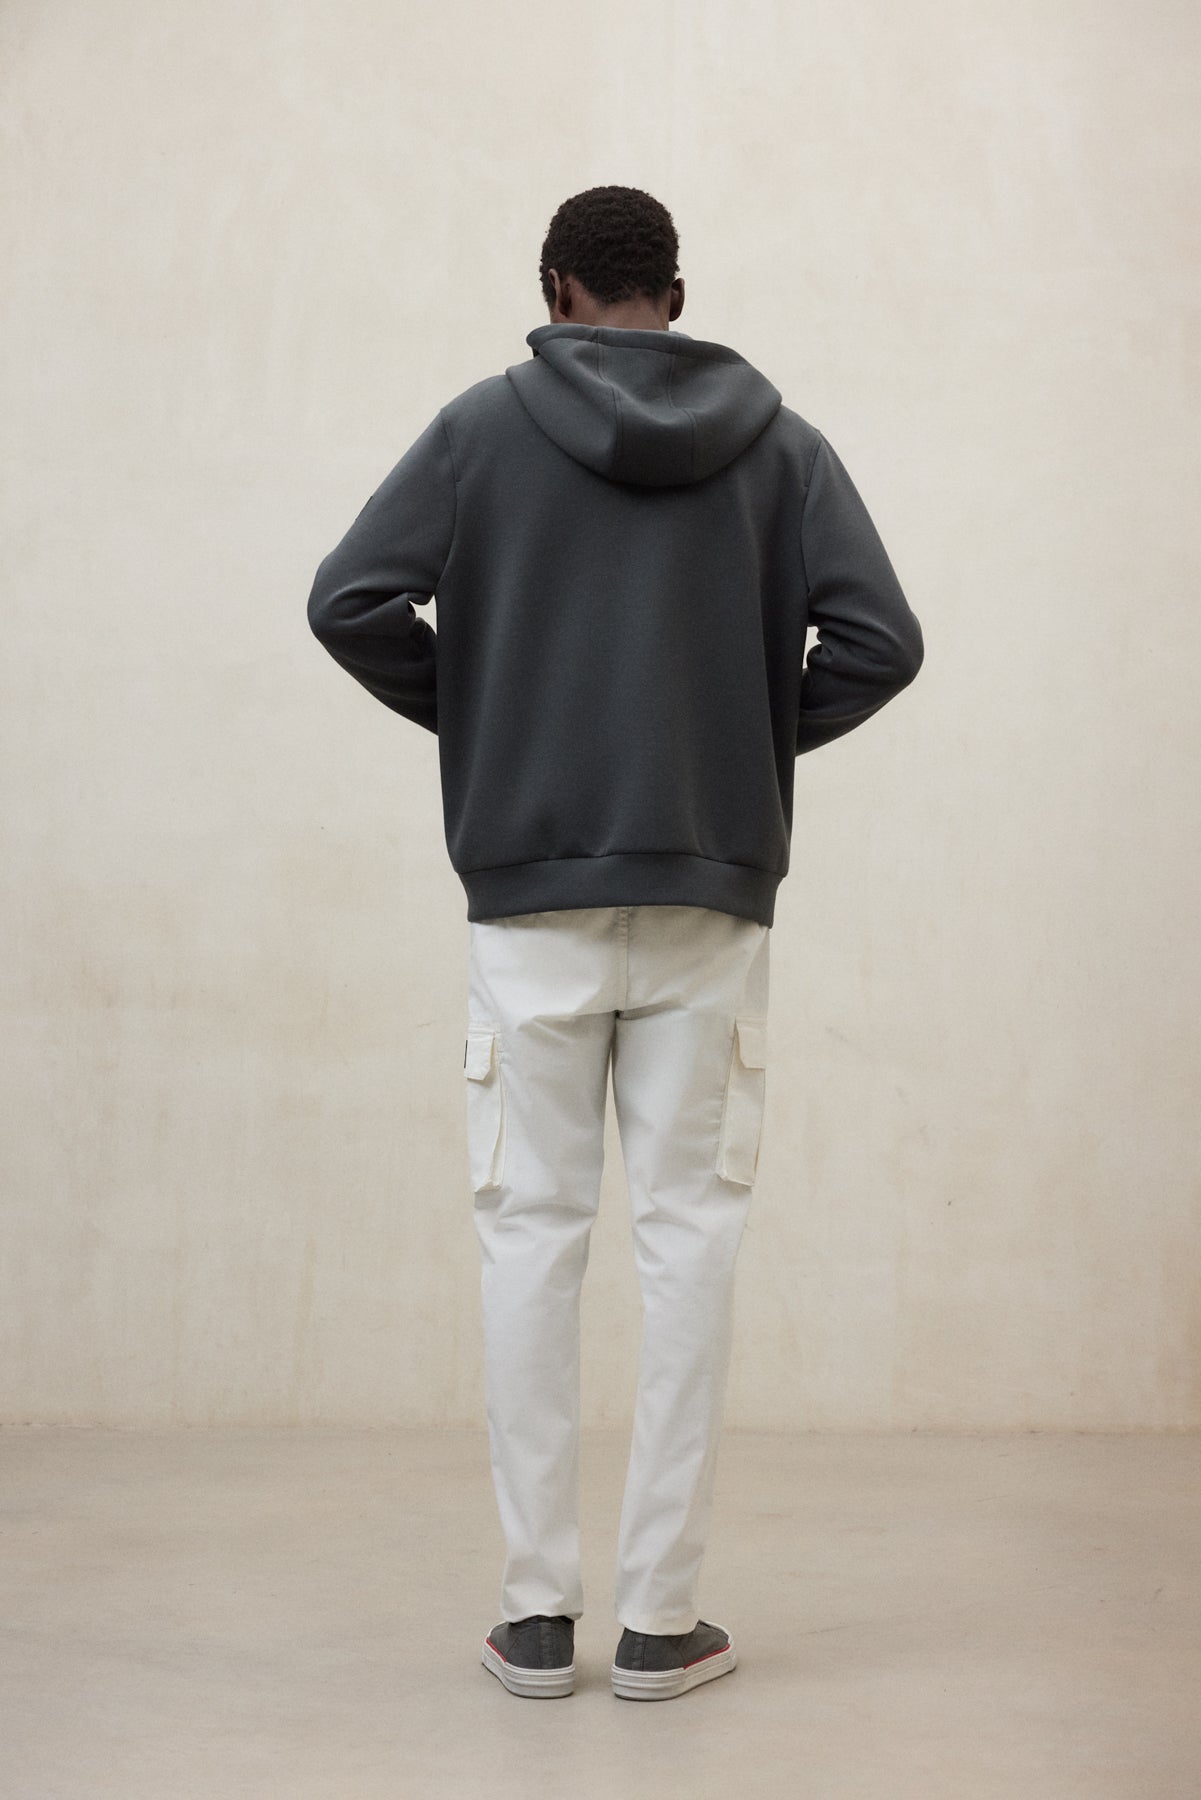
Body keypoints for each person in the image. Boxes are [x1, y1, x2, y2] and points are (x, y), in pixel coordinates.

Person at [306, 184, 924, 1702]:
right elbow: (881, 641)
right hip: (711, 902)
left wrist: (496, 721)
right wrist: (728, 748)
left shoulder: (479, 430)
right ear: (676, 294)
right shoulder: (781, 446)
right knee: (690, 1244)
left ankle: (534, 1618)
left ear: (556, 292)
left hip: (529, 903)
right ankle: (660, 1624)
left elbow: (349, 602)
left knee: (530, 1239)